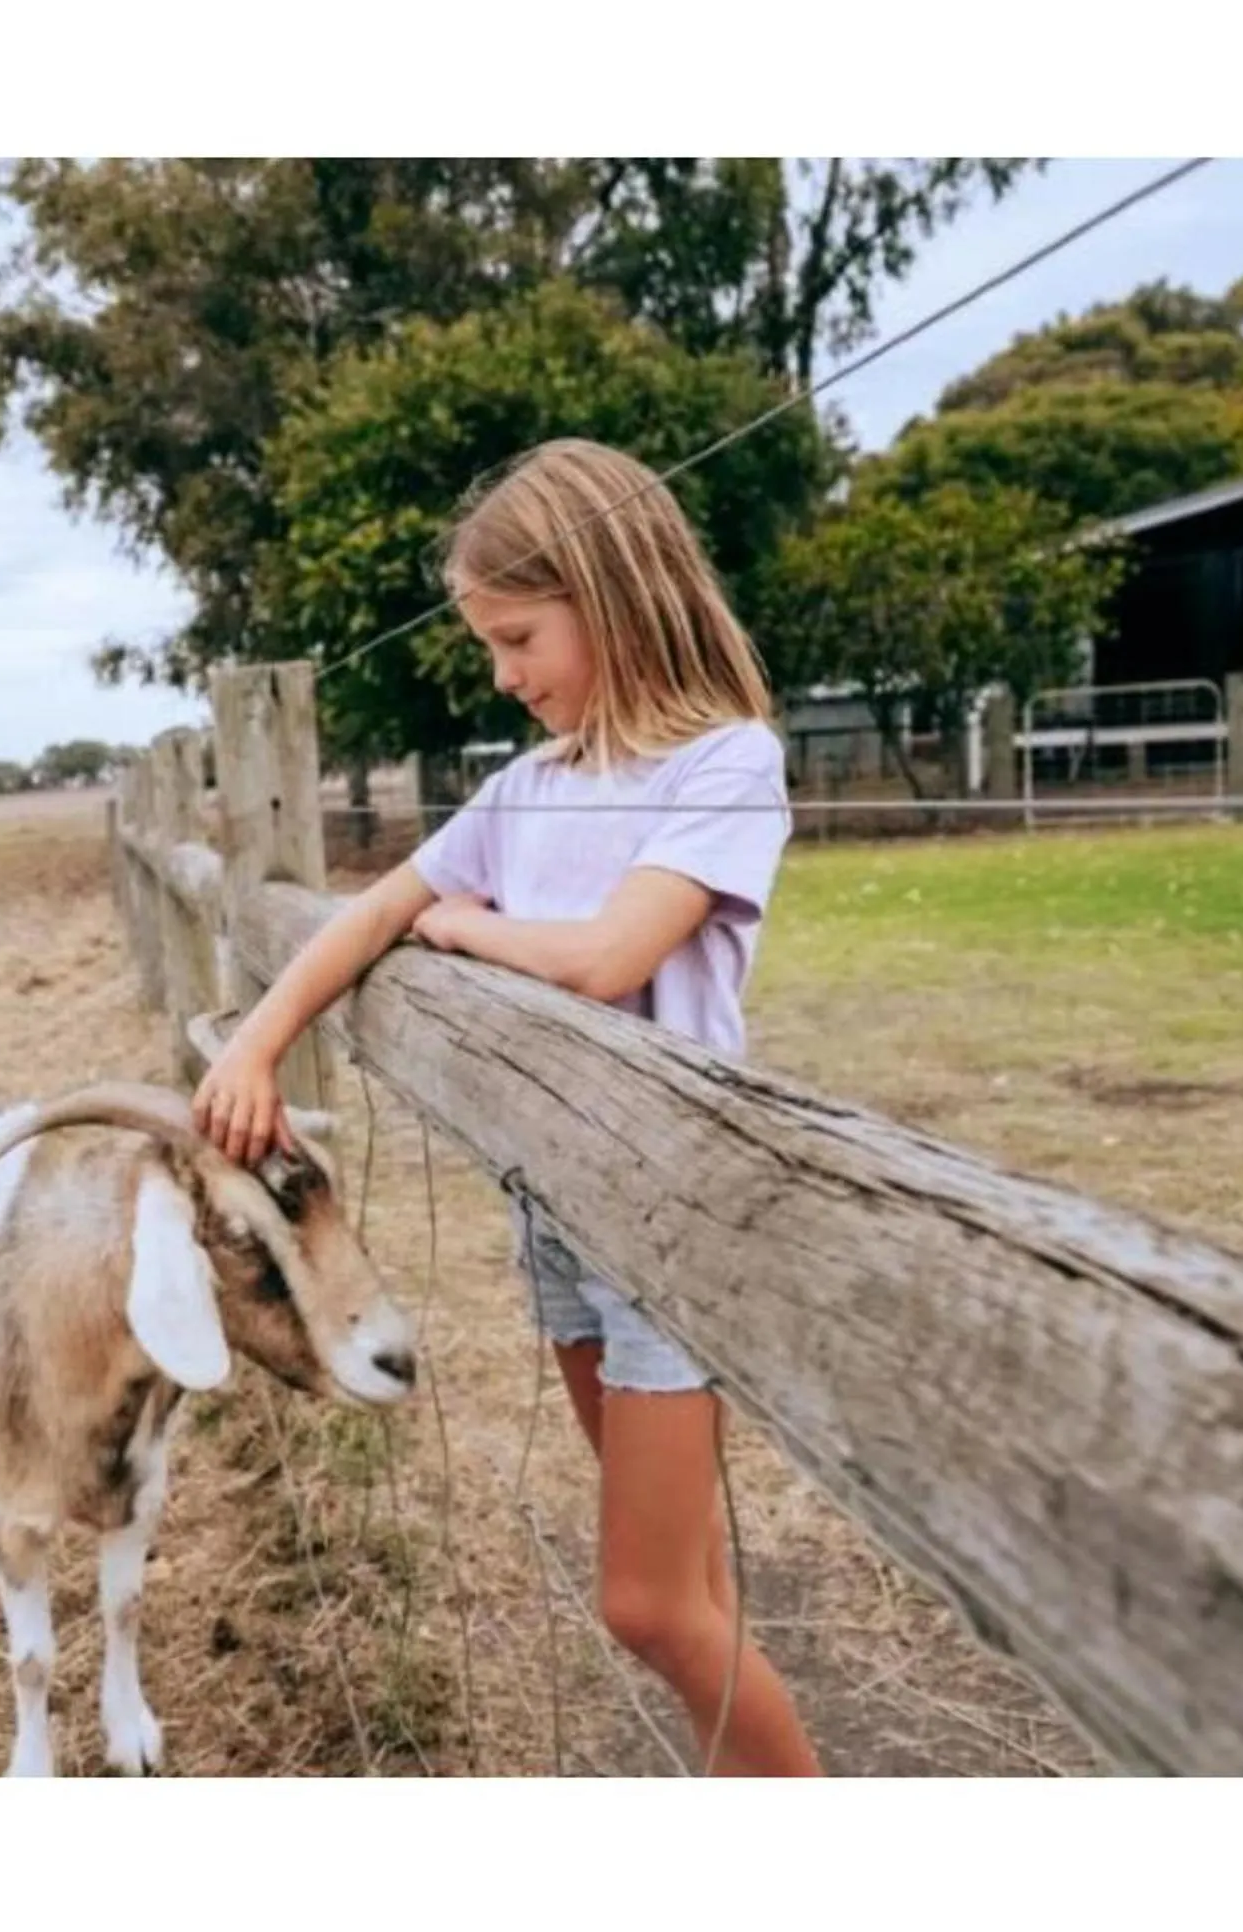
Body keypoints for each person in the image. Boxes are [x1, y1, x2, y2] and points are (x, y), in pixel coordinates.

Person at [190, 437, 822, 1776]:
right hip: (558, 1214)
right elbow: (371, 915)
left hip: (667, 1214)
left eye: (518, 636)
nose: (503, 675)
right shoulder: (522, 789)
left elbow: (607, 956)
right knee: (688, 1595)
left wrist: (468, 933)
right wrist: (255, 1042)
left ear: (612, 588)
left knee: (645, 1603)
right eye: (488, 644)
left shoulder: (722, 763)